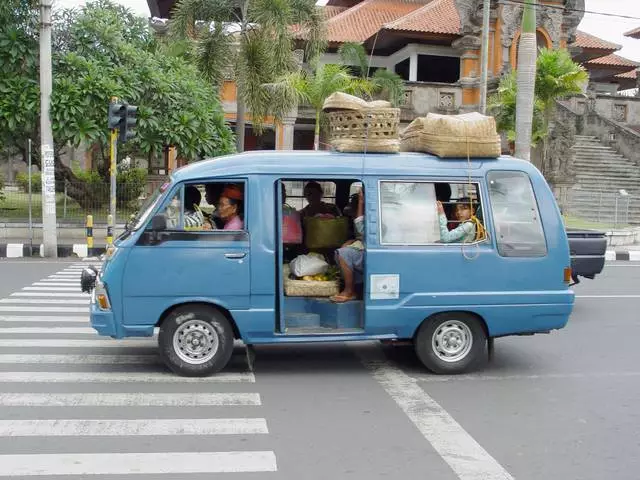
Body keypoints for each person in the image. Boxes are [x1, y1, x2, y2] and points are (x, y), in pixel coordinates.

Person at [331, 188, 364, 303]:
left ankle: (349, 290)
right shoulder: (357, 218)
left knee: (344, 254)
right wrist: (351, 241)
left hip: (373, 251)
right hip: (363, 246)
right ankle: (355, 286)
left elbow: (361, 228)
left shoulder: (372, 218)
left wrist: (360, 202)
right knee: (340, 251)